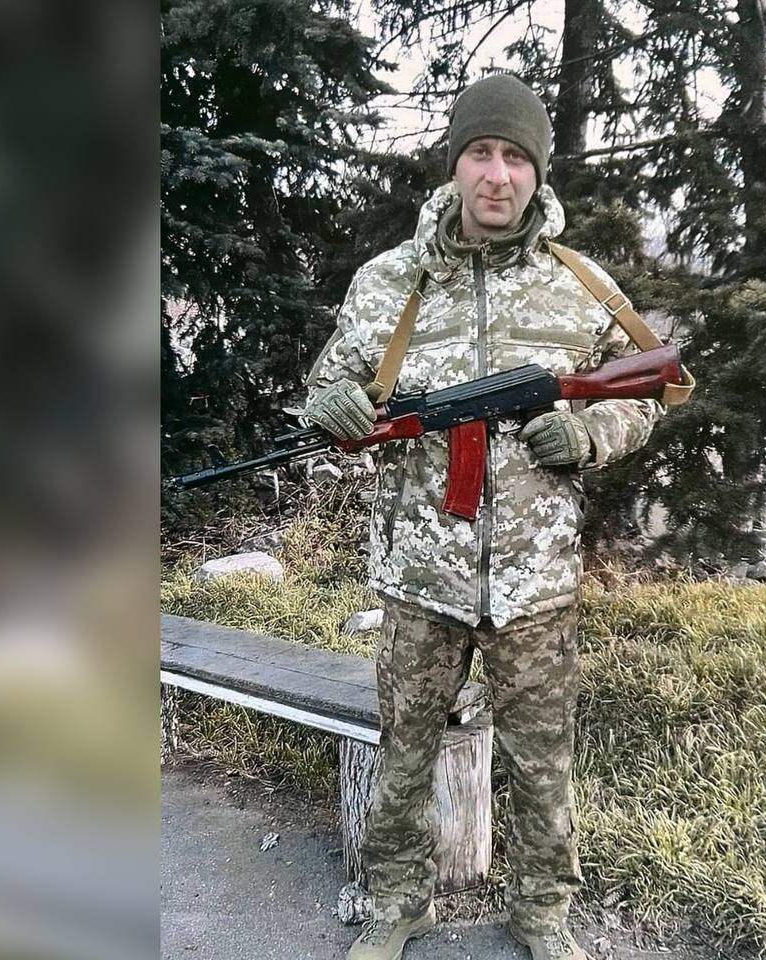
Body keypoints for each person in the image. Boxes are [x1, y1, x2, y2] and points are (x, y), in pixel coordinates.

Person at [304, 73, 672, 960]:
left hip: (535, 580)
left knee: (543, 763)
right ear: (456, 165)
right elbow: (327, 383)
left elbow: (650, 387)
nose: (497, 175)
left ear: (537, 173)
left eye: (515, 157)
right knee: (403, 753)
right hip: (419, 573)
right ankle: (398, 901)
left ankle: (542, 915)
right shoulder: (389, 282)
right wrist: (331, 406)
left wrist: (588, 434)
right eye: (480, 153)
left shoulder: (581, 284)